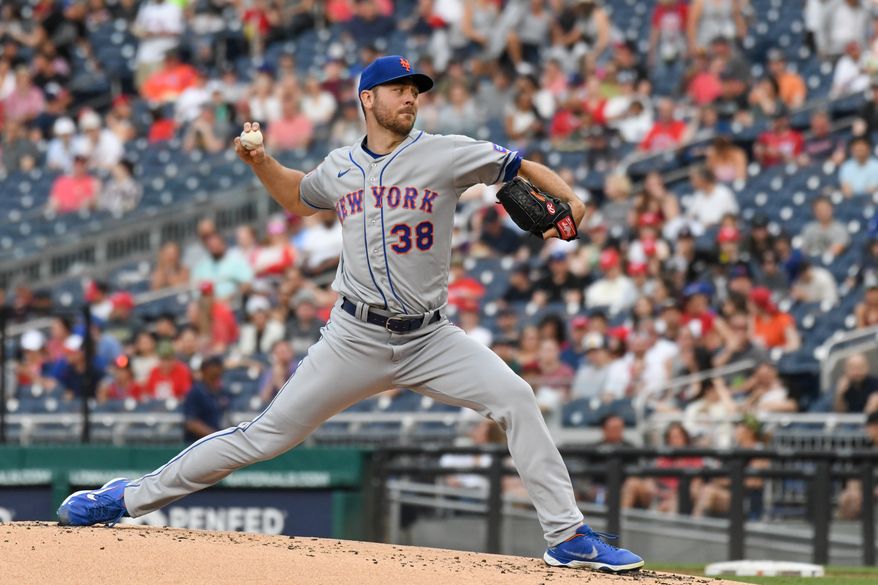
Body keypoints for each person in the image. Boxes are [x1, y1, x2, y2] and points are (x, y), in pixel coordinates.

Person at [58, 54, 643, 573]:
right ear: (369, 98)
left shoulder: (443, 153)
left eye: (416, 88)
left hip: (431, 338)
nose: (411, 96)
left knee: (515, 398)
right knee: (262, 438)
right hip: (353, 337)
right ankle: (128, 498)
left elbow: (519, 167)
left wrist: (573, 200)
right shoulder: (340, 166)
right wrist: (259, 160)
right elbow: (294, 195)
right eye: (399, 88)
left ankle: (567, 537)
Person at [181, 355, 230, 444]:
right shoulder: (196, 391)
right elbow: (191, 423)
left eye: (219, 365)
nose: (218, 369)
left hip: (216, 443)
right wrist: (217, 436)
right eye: (215, 366)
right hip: (196, 444)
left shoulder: (221, 392)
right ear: (205, 369)